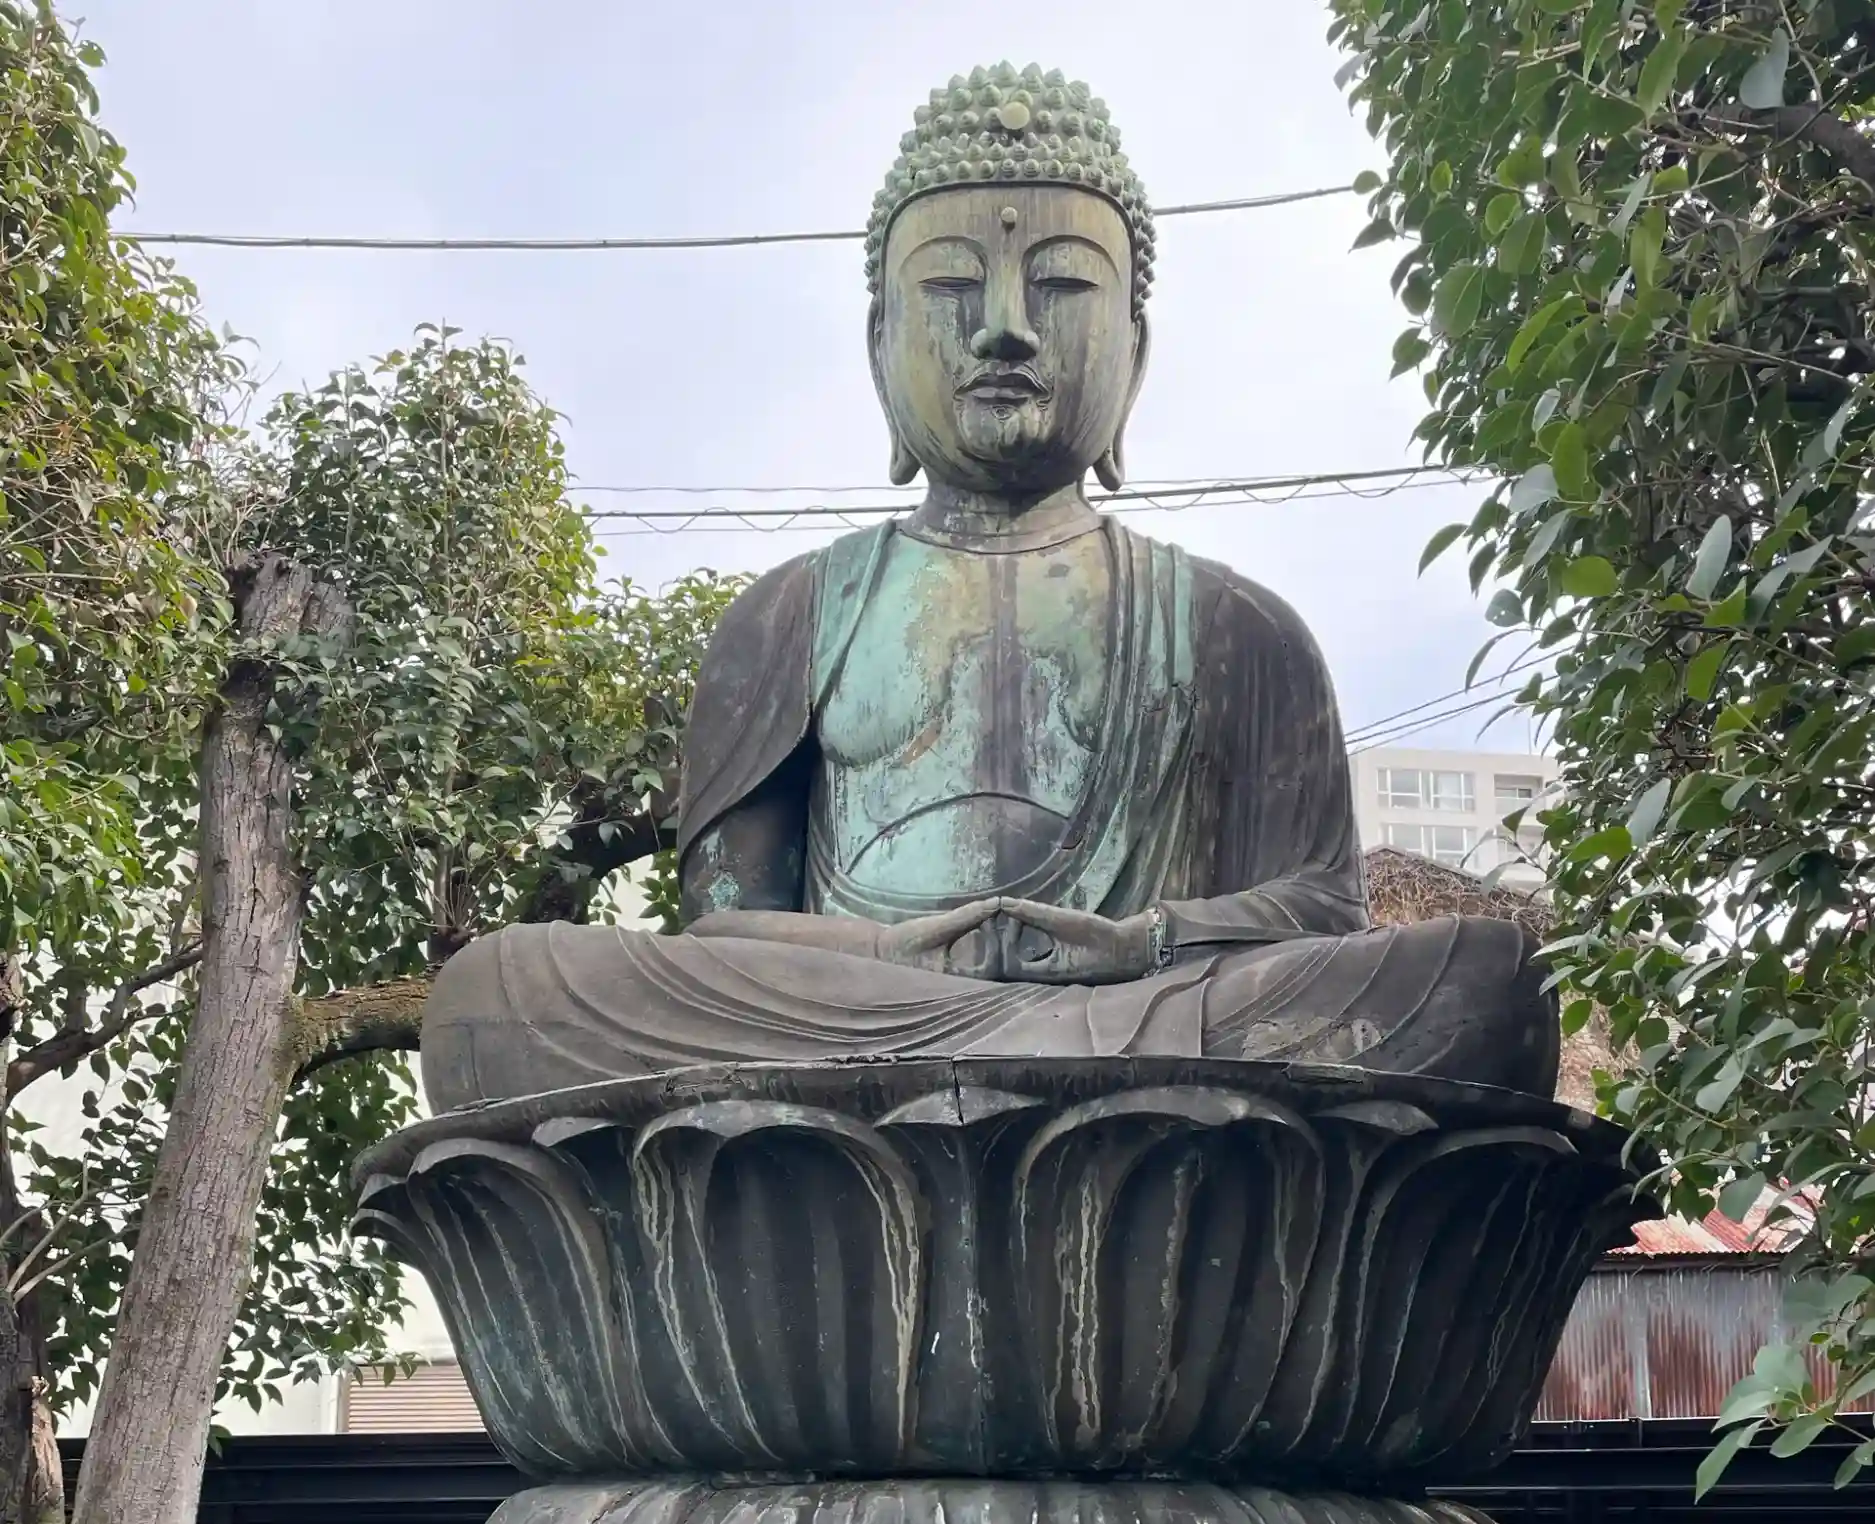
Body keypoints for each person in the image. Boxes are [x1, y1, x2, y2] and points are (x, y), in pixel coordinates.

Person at [423, 65, 1555, 1112]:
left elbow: (1316, 912)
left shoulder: (1236, 628)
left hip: (1149, 1014)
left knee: (1490, 980)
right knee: (495, 996)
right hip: (855, 1021)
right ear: (880, 346)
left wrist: (1142, 944)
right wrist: (895, 955)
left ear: (1135, 352)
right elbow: (725, 930)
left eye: (1059, 284)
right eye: (951, 284)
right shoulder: (790, 617)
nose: (1004, 326)